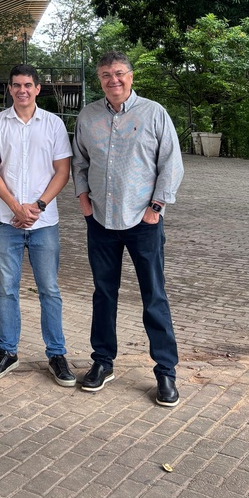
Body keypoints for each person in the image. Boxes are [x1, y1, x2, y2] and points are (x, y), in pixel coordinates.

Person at [72, 51, 184, 407]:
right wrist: (84, 201)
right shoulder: (88, 115)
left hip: (143, 222)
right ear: (100, 79)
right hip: (101, 221)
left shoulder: (153, 113)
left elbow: (171, 164)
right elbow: (79, 161)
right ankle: (103, 362)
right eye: (106, 75)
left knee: (154, 296)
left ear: (131, 77)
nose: (113, 80)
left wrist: (156, 208)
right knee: (104, 293)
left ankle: (165, 371)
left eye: (119, 74)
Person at [0, 64, 75, 386]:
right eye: (17, 85)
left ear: (37, 89)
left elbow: (62, 170)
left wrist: (38, 206)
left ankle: (57, 353)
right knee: (7, 289)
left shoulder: (53, 124)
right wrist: (14, 206)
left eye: (28, 85)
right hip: (5, 221)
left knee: (49, 289)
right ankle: (7, 351)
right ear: (10, 89)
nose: (22, 90)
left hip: (44, 222)